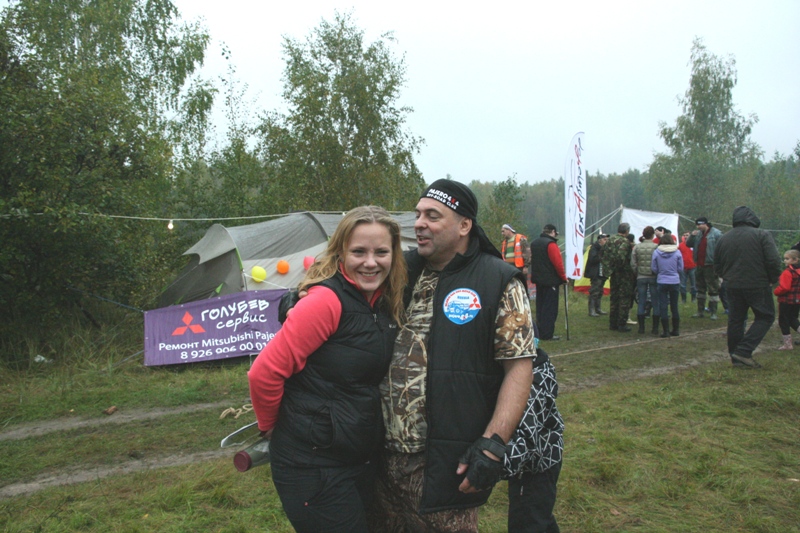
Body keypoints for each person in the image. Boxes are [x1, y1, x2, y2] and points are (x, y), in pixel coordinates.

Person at [371, 179, 535, 531]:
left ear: (464, 226)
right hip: (379, 453)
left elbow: (519, 368)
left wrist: (492, 445)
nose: (419, 223)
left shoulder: (498, 280)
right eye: (418, 215)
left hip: (444, 460)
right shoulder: (400, 270)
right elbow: (345, 289)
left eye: (433, 216)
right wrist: (306, 296)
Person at [247, 206, 407, 533]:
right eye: (359, 252)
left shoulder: (384, 300)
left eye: (381, 252)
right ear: (340, 253)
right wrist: (271, 427)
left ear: (394, 255)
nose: (371, 262)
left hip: (355, 459)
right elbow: (264, 373)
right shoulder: (326, 301)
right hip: (311, 464)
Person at [504, 322, 564, 533]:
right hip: (532, 463)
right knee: (539, 515)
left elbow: (526, 434)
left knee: (527, 521)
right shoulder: (533, 367)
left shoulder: (530, 382)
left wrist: (490, 467)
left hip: (537, 464)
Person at [714, 206, 782, 368]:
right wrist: (773, 278)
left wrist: (727, 276)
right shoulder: (761, 235)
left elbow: (716, 263)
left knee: (736, 320)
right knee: (766, 317)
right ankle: (743, 352)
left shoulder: (724, 238)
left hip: (732, 284)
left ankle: (736, 356)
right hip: (757, 282)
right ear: (752, 219)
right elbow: (773, 260)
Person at [530, 224, 567, 341]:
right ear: (553, 232)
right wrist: (564, 278)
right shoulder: (551, 244)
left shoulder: (534, 243)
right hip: (550, 281)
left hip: (538, 280)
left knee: (540, 307)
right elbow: (558, 263)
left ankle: (539, 331)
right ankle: (547, 333)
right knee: (550, 308)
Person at [686, 216, 723, 319]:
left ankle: (713, 312)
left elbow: (722, 248)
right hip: (699, 265)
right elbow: (688, 244)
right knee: (700, 288)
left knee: (713, 289)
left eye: (699, 225)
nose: (698, 227)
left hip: (711, 265)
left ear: (705, 224)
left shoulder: (716, 234)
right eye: (697, 225)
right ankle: (700, 311)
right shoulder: (698, 234)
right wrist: (692, 236)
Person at [602, 223, 635, 332]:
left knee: (614, 298)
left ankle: (613, 323)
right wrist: (621, 268)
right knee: (624, 298)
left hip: (613, 273)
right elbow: (621, 257)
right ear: (627, 231)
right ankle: (621, 324)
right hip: (624, 273)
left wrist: (609, 269)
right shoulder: (625, 242)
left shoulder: (610, 240)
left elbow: (603, 255)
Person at [651, 234, 683, 337]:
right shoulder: (677, 252)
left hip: (662, 280)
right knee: (674, 305)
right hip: (674, 280)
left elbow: (654, 268)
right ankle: (676, 330)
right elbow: (680, 268)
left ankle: (665, 331)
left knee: (663, 306)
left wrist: (660, 272)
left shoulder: (656, 252)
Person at [631, 226, 660, 335]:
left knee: (641, 301)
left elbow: (633, 263)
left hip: (641, 276)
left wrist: (637, 272)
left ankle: (641, 328)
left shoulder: (637, 247)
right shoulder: (656, 247)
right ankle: (655, 328)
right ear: (653, 235)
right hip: (653, 276)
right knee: (655, 301)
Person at [773, 249, 800, 350]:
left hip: (786, 300)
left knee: (783, 321)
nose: (785, 260)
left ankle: (787, 344)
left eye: (787, 259)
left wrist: (776, 292)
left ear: (795, 260)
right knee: (793, 319)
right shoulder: (798, 271)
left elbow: (785, 287)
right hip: (797, 300)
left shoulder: (787, 272)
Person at [584, 234, 609, 317]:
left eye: (607, 239)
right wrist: (602, 254)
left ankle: (598, 308)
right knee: (594, 291)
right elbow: (593, 259)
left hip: (603, 273)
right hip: (596, 273)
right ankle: (591, 310)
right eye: (605, 239)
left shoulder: (605, 249)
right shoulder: (594, 248)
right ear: (600, 240)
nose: (606, 241)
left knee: (600, 291)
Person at [678, 232, 697, 303]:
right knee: (682, 284)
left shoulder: (694, 244)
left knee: (693, 284)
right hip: (683, 267)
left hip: (693, 266)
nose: (685, 236)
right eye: (684, 235)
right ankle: (683, 299)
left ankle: (694, 298)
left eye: (687, 235)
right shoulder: (680, 245)